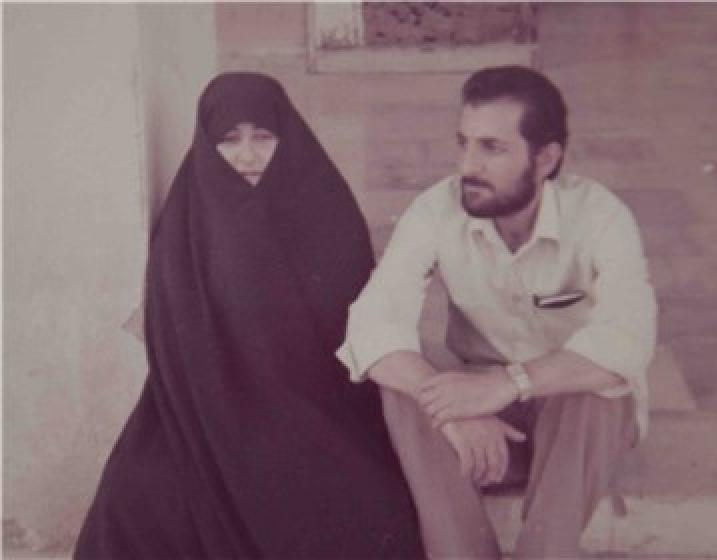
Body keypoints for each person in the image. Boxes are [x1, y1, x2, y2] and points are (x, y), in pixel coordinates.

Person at [75, 72, 424, 559]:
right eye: (229, 140)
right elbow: (176, 343)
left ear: (286, 137)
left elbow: (346, 335)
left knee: (360, 503)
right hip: (200, 406)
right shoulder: (185, 221)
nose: (247, 155)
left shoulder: (327, 210)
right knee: (137, 497)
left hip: (313, 402)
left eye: (263, 137)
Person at [337, 65, 658, 559]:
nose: (469, 165)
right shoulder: (436, 209)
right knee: (403, 376)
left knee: (599, 385)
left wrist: (510, 383)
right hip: (483, 427)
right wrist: (453, 410)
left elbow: (629, 339)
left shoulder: (599, 215)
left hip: (571, 430)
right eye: (463, 143)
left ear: (546, 158)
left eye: (492, 148)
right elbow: (371, 324)